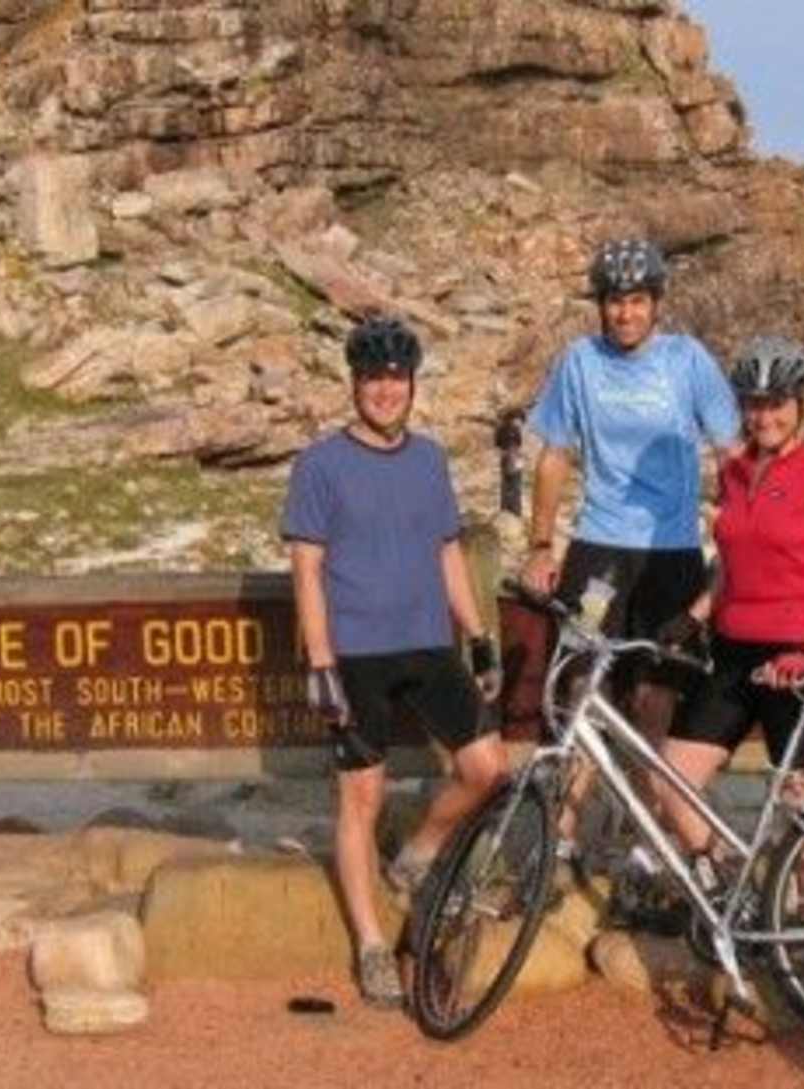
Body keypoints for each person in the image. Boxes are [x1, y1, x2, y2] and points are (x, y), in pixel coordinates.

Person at [281, 317, 506, 1008]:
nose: (385, 390)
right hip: (355, 652)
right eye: (373, 378)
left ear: (411, 385)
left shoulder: (430, 459)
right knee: (361, 797)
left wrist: (477, 634)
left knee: (487, 768)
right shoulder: (318, 464)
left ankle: (416, 855)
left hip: (428, 642)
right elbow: (307, 567)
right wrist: (321, 665)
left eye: (396, 378)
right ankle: (374, 945)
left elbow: (447, 551)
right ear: (355, 383)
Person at [518, 238, 741, 848]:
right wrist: (542, 544)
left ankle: (648, 841)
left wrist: (745, 537)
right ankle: (558, 837)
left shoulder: (687, 360)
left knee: (654, 696)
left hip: (671, 554)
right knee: (577, 686)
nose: (626, 314)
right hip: (598, 549)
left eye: (637, 301)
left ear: (656, 303)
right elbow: (554, 456)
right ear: (602, 305)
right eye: (615, 302)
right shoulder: (579, 362)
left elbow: (732, 454)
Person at [653, 336, 804, 863]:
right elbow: (732, 561)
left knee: (801, 812)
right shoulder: (733, 472)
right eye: (753, 403)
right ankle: (734, 884)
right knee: (670, 782)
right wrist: (693, 616)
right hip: (731, 652)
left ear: (800, 405)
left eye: (776, 403)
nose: (764, 416)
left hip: (798, 656)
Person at [493, 408, 525, 516]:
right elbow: (518, 444)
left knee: (506, 485)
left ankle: (505, 509)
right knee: (515, 485)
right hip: (513, 457)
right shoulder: (514, 430)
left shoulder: (500, 428)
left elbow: (497, 443)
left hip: (505, 457)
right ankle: (515, 511)